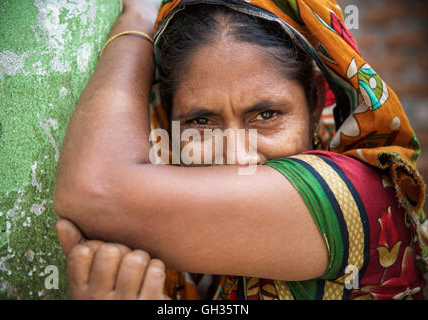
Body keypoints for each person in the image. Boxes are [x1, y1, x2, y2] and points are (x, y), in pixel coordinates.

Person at [53, 0, 428, 300]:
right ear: (167, 121)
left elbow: (95, 190)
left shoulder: (358, 196)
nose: (237, 157)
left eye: (266, 114)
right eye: (201, 122)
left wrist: (136, 22)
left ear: (314, 103)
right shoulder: (190, 259)